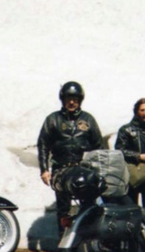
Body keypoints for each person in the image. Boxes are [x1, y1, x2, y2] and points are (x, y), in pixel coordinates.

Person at [38, 81, 105, 234]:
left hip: (84, 170)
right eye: (68, 98)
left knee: (88, 205)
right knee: (63, 208)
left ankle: (86, 242)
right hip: (61, 170)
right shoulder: (52, 119)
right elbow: (43, 145)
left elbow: (99, 146)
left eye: (75, 98)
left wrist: (99, 170)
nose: (72, 102)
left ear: (80, 100)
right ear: (63, 99)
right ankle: (64, 241)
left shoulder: (88, 120)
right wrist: (44, 170)